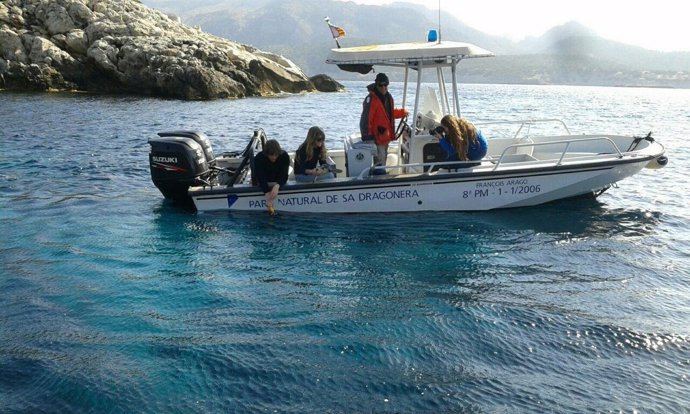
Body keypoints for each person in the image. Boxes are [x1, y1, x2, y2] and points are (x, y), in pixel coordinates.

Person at [359, 72, 407, 166]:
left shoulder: (388, 97)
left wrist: (402, 113)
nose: (383, 87)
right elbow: (366, 119)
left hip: (385, 137)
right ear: (376, 85)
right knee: (380, 163)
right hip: (376, 138)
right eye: (381, 85)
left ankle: (381, 174)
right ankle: (380, 177)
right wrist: (368, 137)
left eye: (385, 85)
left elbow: (388, 114)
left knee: (382, 159)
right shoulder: (371, 99)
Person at [253, 139, 290, 211]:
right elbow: (260, 176)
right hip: (266, 178)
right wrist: (267, 193)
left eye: (276, 155)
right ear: (266, 154)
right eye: (271, 155)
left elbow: (284, 174)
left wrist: (278, 185)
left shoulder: (284, 156)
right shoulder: (259, 158)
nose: (274, 157)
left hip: (277, 178)